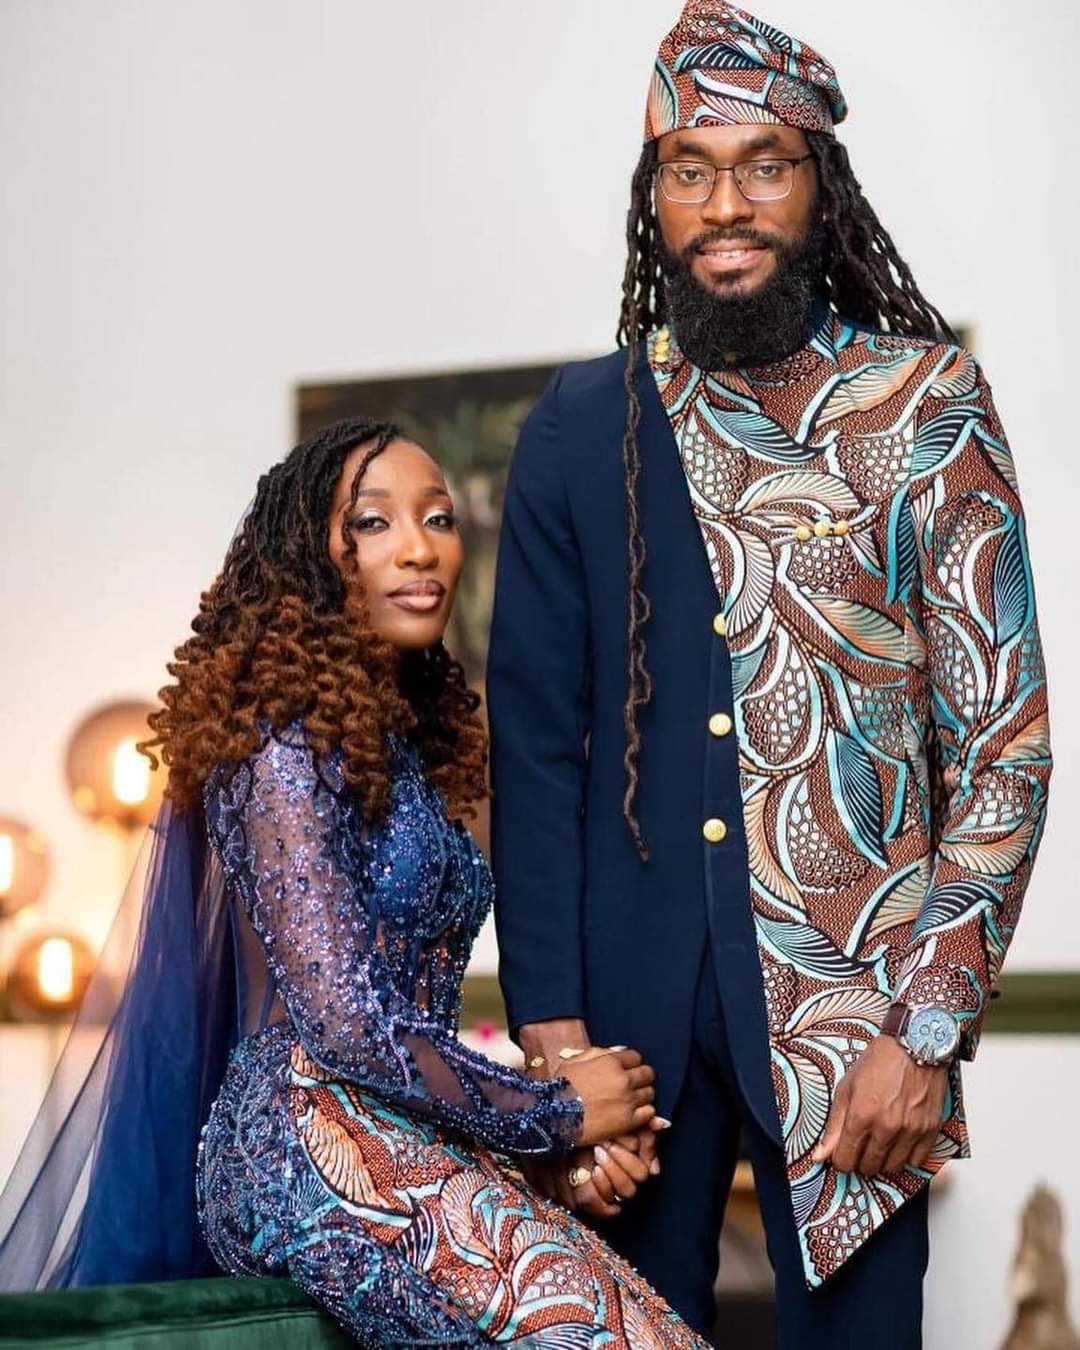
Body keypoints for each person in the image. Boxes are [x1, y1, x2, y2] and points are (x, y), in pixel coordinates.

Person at [487, 3, 1052, 1347]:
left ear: (819, 182)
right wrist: (556, 1046)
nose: (723, 204)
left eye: (761, 165)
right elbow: (538, 751)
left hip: (857, 1008)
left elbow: (1004, 752)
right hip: (621, 1034)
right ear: (654, 194)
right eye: (689, 168)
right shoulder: (584, 427)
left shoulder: (926, 407)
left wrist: (926, 1029)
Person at [0, 418, 708, 1349]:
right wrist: (561, 1110)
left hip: (400, 1132)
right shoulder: (279, 741)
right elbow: (347, 1026)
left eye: (441, 519)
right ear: (309, 555)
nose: (421, 549)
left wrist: (553, 1144)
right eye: (375, 524)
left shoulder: (408, 748)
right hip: (301, 1140)